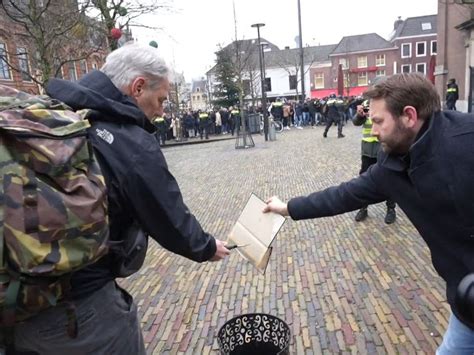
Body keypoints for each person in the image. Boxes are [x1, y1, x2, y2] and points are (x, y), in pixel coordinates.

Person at [12, 42, 230, 354]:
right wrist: (207, 247)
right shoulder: (129, 140)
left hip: (16, 306)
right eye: (160, 100)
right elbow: (167, 214)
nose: (161, 111)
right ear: (138, 86)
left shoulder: (51, 112)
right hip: (80, 311)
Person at [264, 73, 474, 354]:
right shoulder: (391, 163)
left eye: (378, 121)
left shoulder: (466, 141)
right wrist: (287, 208)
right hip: (466, 301)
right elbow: (343, 196)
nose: (372, 130)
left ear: (409, 116)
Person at [352, 99, 396, 224]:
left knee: (389, 179)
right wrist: (359, 115)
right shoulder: (367, 103)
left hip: (384, 149)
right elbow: (356, 122)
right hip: (367, 151)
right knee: (364, 180)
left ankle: (391, 209)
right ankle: (363, 207)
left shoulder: (387, 103)